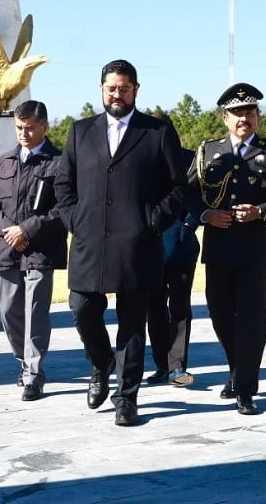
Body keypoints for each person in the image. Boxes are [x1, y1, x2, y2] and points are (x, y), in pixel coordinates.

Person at [54, 59, 187, 427]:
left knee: (132, 323)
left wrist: (152, 221)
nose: (118, 94)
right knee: (81, 308)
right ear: (101, 89)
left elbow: (178, 187)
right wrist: (75, 220)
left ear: (136, 90)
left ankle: (126, 397)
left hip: (136, 245)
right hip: (89, 243)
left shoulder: (156, 132)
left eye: (125, 88)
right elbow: (63, 185)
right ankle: (101, 364)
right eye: (112, 88)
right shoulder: (80, 132)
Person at [189, 82, 266, 416]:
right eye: (236, 113)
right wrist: (206, 214)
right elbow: (188, 195)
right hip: (219, 248)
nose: (243, 118)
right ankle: (237, 370)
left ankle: (245, 388)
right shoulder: (208, 152)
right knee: (220, 313)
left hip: (255, 250)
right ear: (225, 118)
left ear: (257, 116)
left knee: (251, 319)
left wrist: (260, 212)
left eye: (249, 112)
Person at [0, 100, 67, 402]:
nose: (24, 133)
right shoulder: (4, 161)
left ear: (45, 125)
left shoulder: (59, 162)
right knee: (9, 313)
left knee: (35, 315)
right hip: (7, 251)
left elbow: (63, 209)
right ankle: (23, 360)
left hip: (40, 251)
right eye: (19, 127)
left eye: (30, 127)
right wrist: (10, 231)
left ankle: (33, 375)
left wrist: (27, 230)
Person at [144, 111, 202, 390]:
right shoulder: (142, 159)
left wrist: (188, 225)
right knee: (153, 308)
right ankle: (160, 365)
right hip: (150, 246)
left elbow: (200, 197)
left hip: (180, 245)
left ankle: (177, 365)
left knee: (179, 307)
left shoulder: (190, 159)